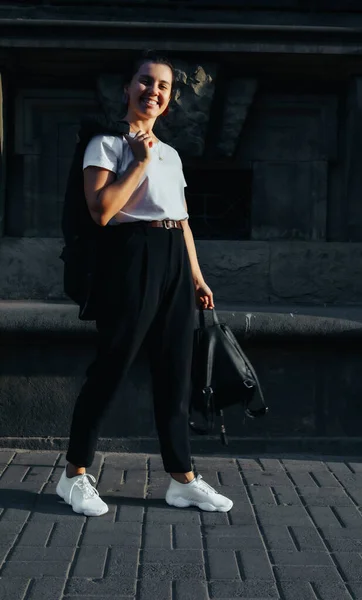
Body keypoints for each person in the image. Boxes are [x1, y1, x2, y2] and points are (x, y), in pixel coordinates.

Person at [56, 52, 233, 517]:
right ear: (127, 88)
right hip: (132, 256)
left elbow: (182, 218)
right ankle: (73, 475)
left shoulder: (171, 154)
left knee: (176, 373)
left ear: (169, 101)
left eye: (163, 87)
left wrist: (196, 276)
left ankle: (182, 479)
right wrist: (137, 162)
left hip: (174, 257)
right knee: (112, 366)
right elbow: (102, 211)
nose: (153, 91)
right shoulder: (107, 144)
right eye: (145, 81)